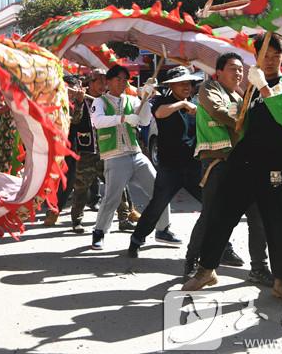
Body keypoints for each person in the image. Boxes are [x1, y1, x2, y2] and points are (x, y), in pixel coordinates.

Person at [184, 34, 282, 302]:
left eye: (277, 56)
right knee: (221, 213)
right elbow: (242, 124)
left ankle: (281, 280)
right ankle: (206, 269)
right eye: (267, 56)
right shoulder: (249, 88)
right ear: (258, 57)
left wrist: (263, 85)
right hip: (246, 163)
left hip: (277, 165)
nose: (272, 61)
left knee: (276, 224)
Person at [183, 53, 272, 285]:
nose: (238, 73)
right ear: (219, 72)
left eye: (241, 69)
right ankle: (192, 263)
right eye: (233, 68)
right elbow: (217, 111)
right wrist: (243, 120)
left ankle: (259, 267)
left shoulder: (242, 95)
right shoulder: (208, 88)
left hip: (243, 163)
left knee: (256, 215)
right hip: (217, 162)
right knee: (211, 215)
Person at [89, 65, 167, 250]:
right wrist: (123, 118)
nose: (122, 83)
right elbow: (98, 122)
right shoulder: (99, 102)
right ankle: (99, 231)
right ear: (108, 81)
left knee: (160, 189)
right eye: (118, 79)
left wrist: (146, 99)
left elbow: (145, 120)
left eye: (125, 80)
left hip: (136, 153)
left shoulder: (132, 100)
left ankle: (163, 229)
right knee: (112, 198)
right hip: (114, 156)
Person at [127, 66, 203, 257]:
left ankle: (223, 247)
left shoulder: (196, 103)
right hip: (170, 168)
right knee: (157, 206)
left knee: (212, 204)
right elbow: (159, 113)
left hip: (193, 166)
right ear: (172, 85)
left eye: (189, 83)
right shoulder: (163, 101)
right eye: (182, 83)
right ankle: (136, 240)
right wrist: (183, 105)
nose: (187, 86)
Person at [54, 69, 136, 232]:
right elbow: (75, 121)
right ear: (89, 83)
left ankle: (124, 218)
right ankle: (77, 221)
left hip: (110, 150)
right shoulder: (81, 100)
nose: (103, 84)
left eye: (105, 80)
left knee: (118, 185)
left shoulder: (109, 100)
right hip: (87, 151)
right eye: (98, 81)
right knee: (81, 188)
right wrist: (78, 102)